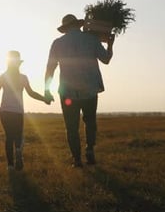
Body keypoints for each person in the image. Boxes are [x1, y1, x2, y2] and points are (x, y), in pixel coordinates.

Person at [44, 14, 114, 168]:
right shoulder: (91, 39)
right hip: (90, 89)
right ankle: (89, 149)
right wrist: (110, 44)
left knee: (71, 127)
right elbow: (106, 59)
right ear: (78, 25)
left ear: (65, 29)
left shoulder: (57, 43)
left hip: (67, 92)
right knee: (90, 122)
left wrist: (46, 90)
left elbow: (50, 69)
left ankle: (76, 159)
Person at [0, 50, 50, 171]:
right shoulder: (23, 78)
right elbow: (31, 93)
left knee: (9, 137)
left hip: (4, 111)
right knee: (18, 136)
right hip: (18, 111)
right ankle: (18, 150)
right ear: (19, 64)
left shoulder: (3, 77)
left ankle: (10, 165)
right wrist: (44, 99)